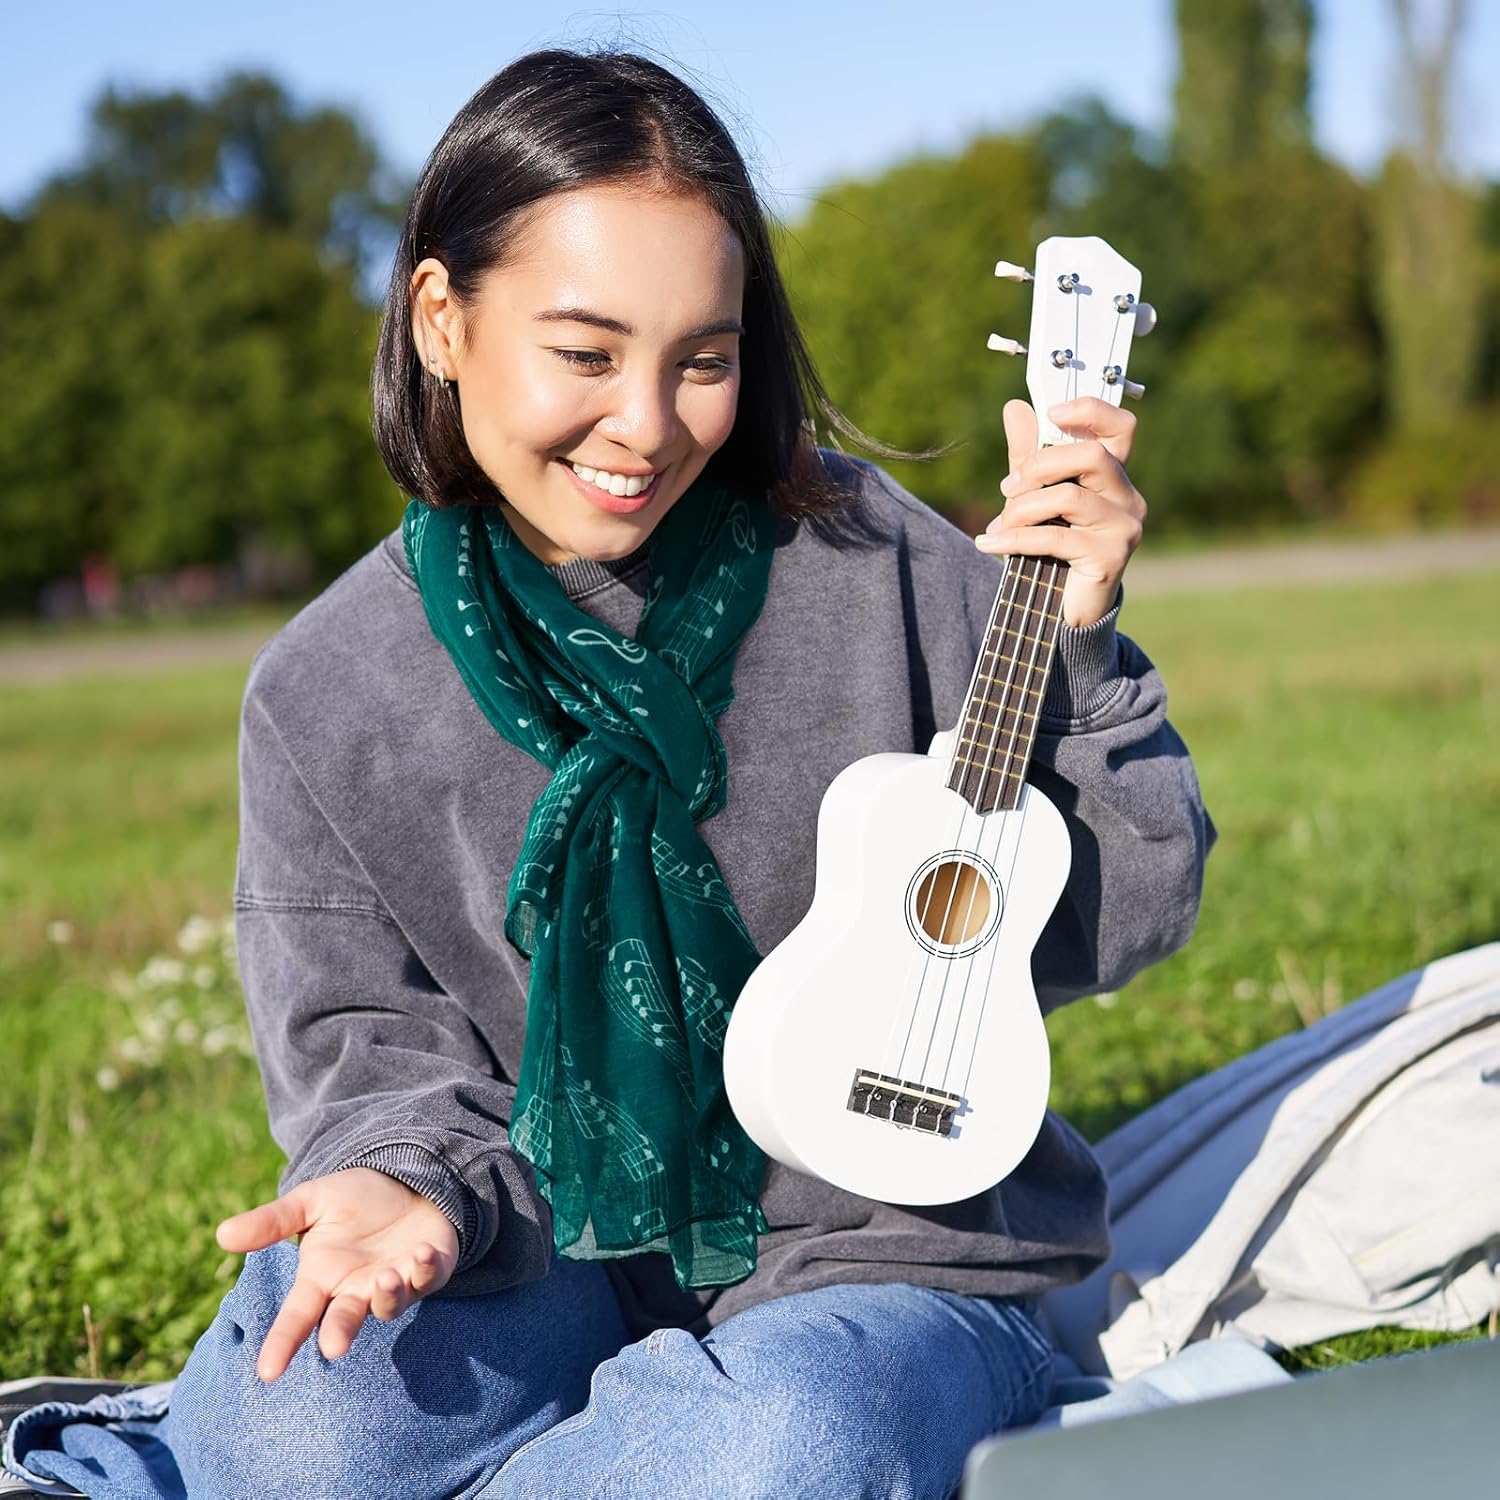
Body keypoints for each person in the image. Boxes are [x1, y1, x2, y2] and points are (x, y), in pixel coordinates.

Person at [152, 45, 1212, 1500]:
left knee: (781, 1439)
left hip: (881, 1260)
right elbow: (370, 1052)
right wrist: (400, 1186)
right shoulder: (326, 689)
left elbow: (1119, 916)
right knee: (290, 1433)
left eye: (703, 360)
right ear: (443, 319)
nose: (648, 426)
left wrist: (1085, 652)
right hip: (524, 1249)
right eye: (587, 355)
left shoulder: (879, 559)